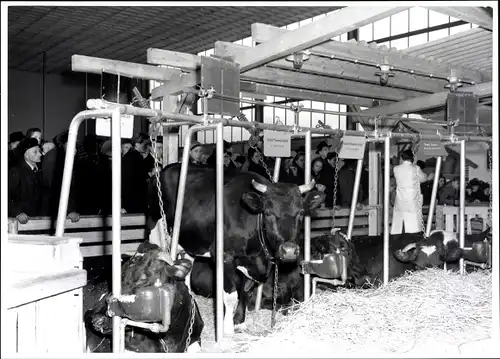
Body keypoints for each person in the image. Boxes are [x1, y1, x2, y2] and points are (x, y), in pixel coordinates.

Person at [390, 149, 427, 234]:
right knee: (414, 224)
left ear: (402, 158)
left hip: (400, 199)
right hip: (412, 199)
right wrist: (415, 164)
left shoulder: (396, 168)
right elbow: (424, 179)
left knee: (399, 223)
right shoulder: (416, 168)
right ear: (413, 159)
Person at [8, 138, 44, 224]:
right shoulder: (16, 171)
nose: (40, 154)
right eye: (35, 152)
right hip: (22, 221)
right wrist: (17, 213)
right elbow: (9, 195)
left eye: (39, 151)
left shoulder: (39, 171)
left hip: (38, 219)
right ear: (26, 155)